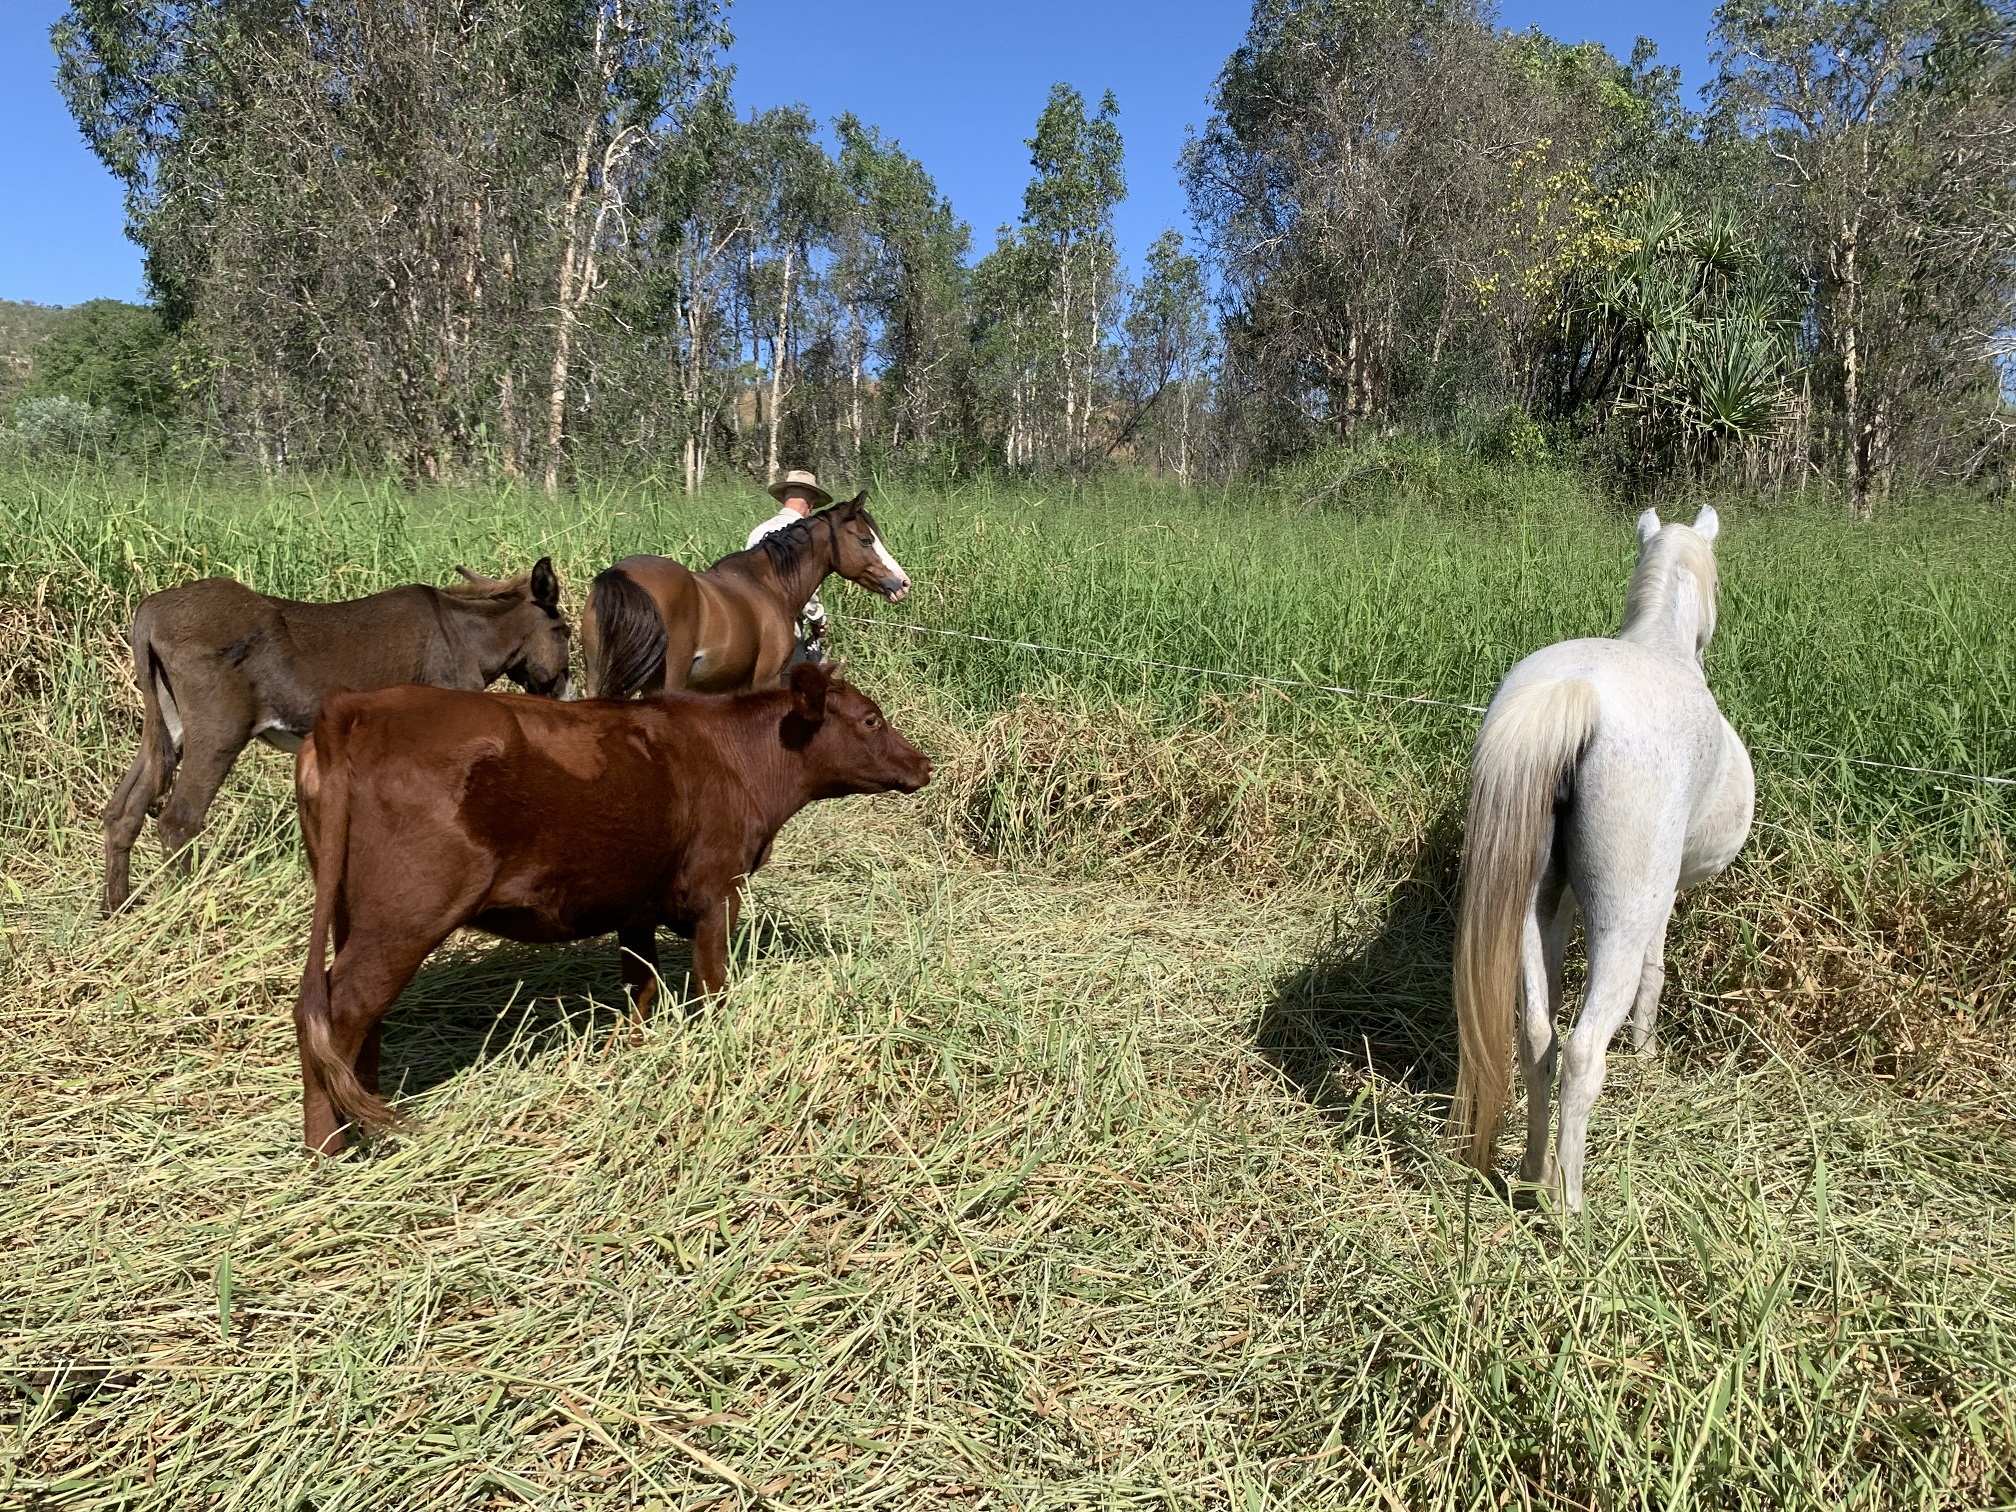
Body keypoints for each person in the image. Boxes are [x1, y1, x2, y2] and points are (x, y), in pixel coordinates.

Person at [748, 468, 833, 663]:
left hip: (752, 620)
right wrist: (818, 618)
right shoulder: (806, 536)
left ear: (785, 499)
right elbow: (804, 588)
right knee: (788, 680)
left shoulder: (758, 531)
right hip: (785, 622)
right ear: (810, 503)